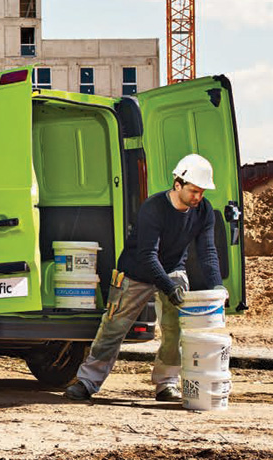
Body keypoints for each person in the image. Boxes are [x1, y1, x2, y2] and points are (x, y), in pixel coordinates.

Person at [65, 153, 226, 401]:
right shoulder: (154, 208)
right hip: (137, 270)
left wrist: (216, 286)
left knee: (176, 330)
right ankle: (87, 382)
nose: (198, 197)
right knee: (113, 327)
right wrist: (169, 287)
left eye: (202, 192)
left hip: (173, 269)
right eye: (194, 191)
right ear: (178, 184)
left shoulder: (203, 211)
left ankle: (166, 384)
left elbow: (208, 251)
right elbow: (147, 255)